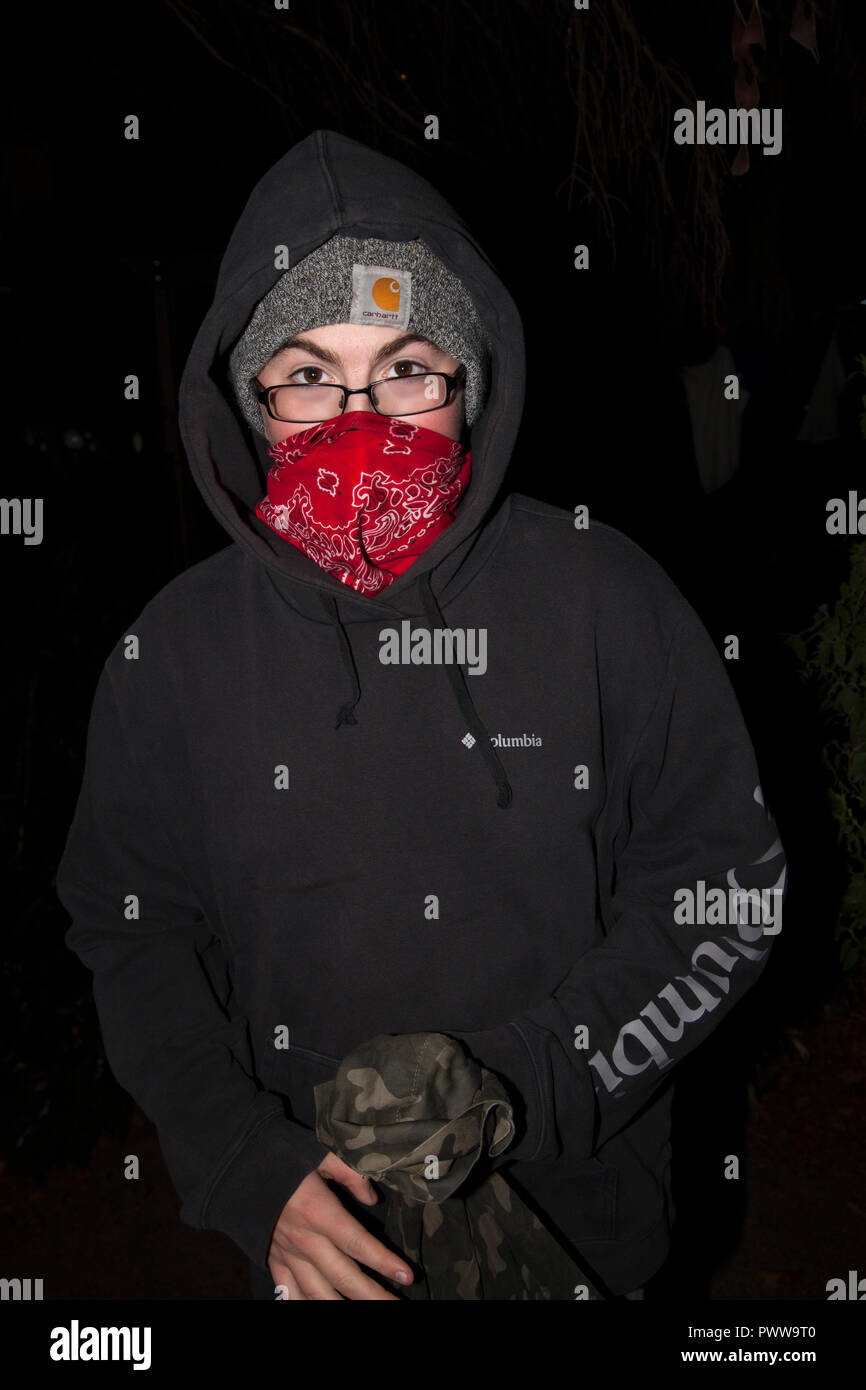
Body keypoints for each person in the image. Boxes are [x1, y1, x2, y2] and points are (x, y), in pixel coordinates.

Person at [56, 128, 787, 1301]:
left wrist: (520, 1084)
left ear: (470, 378)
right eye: (305, 376)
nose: (357, 423)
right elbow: (133, 934)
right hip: (320, 1256)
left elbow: (723, 893)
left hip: (586, 1236)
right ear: (247, 405)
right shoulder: (170, 658)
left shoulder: (608, 598)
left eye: (405, 368)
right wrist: (247, 1164)